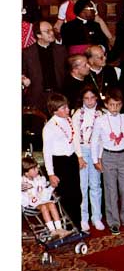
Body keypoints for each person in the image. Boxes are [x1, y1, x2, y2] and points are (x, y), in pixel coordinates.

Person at [91, 88, 124, 236]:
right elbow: (95, 141)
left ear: (121, 105)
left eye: (117, 105)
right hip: (108, 157)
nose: (114, 108)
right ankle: (113, 221)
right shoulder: (100, 120)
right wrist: (96, 159)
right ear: (106, 105)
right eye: (111, 105)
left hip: (123, 156)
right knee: (111, 190)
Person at [42, 93, 83, 231]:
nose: (67, 110)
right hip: (59, 162)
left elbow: (75, 140)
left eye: (67, 106)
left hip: (71, 160)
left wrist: (79, 156)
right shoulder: (49, 127)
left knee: (77, 194)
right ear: (54, 110)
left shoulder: (69, 120)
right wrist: (51, 174)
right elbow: (46, 152)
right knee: (65, 197)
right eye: (63, 108)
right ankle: (68, 227)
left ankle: (77, 225)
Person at [71, 86, 105, 231]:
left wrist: (99, 157)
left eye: (92, 98)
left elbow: (103, 138)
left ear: (97, 97)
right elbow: (75, 137)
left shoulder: (102, 113)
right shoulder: (78, 114)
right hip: (83, 151)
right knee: (82, 186)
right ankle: (83, 217)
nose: (90, 101)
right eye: (86, 98)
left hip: (96, 152)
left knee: (95, 185)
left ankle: (96, 217)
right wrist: (79, 156)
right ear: (82, 99)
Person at [21, 156, 72, 239]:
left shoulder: (40, 179)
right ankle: (52, 230)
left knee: (52, 204)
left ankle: (59, 228)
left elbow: (44, 193)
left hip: (42, 200)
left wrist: (52, 186)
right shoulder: (22, 183)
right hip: (31, 204)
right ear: (26, 173)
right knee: (44, 207)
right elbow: (25, 198)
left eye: (36, 168)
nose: (37, 170)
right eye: (34, 169)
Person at [22, 21, 68, 112]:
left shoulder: (61, 50)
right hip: (37, 96)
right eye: (47, 31)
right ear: (39, 35)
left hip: (58, 95)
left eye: (52, 30)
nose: (51, 33)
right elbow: (22, 72)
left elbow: (67, 72)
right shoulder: (27, 53)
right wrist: (23, 79)